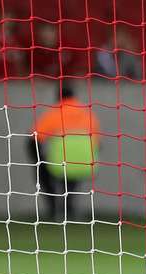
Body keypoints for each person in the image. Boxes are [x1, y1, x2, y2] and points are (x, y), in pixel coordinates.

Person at [27, 83, 101, 221]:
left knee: (42, 170)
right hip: (86, 165)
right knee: (71, 179)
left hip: (60, 165)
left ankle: (55, 210)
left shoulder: (54, 113)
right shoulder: (88, 114)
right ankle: (69, 209)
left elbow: (34, 138)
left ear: (58, 97)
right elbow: (98, 143)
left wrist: (37, 160)